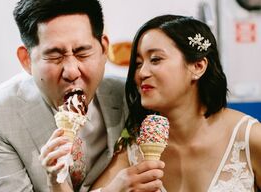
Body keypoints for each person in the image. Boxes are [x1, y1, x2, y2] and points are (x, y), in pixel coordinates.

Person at [90, 15, 261, 192]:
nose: (142, 73)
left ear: (198, 66)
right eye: (139, 63)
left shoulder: (250, 137)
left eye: (155, 59)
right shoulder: (135, 148)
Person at [0, 0, 128, 191]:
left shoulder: (127, 96)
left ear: (103, 49)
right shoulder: (0, 116)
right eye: (55, 55)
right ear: (26, 60)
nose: (72, 71)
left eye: (82, 53)